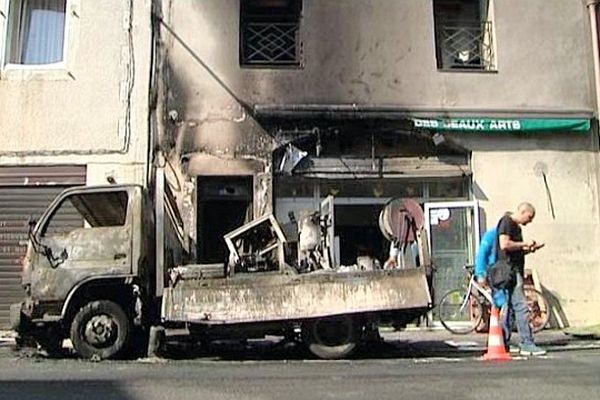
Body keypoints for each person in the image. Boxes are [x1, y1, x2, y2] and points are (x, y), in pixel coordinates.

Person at [497, 202, 545, 356]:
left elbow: (514, 250)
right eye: (529, 217)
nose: (529, 221)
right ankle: (527, 342)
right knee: (521, 306)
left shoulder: (516, 228)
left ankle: (503, 341)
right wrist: (525, 243)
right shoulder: (507, 222)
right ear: (522, 211)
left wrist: (529, 250)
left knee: (511, 308)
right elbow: (504, 244)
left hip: (515, 268)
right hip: (510, 270)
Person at [474, 227, 507, 308]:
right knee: (500, 302)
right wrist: (481, 273)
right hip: (496, 272)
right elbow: (481, 254)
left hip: (506, 272)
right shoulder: (491, 235)